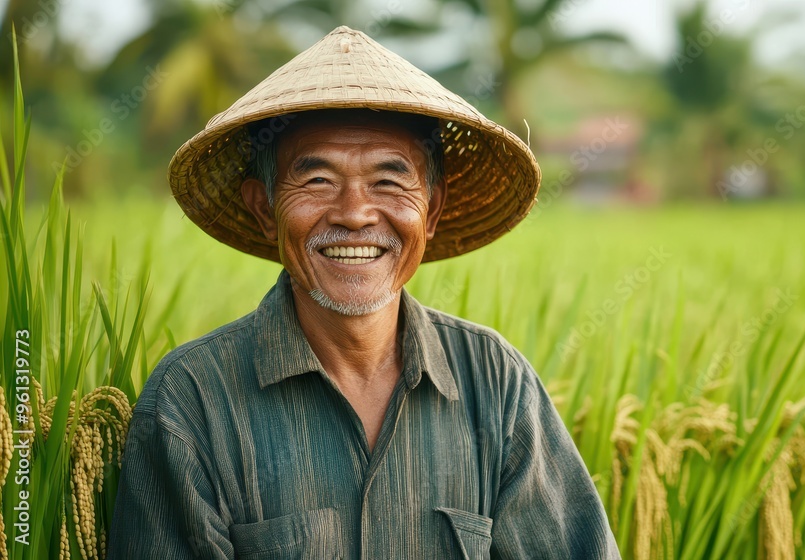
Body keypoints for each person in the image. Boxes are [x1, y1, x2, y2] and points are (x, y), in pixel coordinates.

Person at [107, 26, 619, 559]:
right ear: (264, 209)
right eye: (318, 180)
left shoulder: (496, 383)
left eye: (389, 181)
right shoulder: (192, 401)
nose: (354, 213)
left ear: (433, 211)